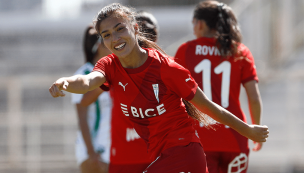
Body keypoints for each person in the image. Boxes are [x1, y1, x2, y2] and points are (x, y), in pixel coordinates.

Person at [49, 3, 269, 173]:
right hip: (160, 157)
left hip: (184, 152)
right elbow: (89, 82)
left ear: (135, 28)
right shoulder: (109, 66)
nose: (115, 38)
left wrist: (247, 129)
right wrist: (66, 82)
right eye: (107, 35)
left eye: (120, 29)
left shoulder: (166, 67)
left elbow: (209, 107)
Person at [174, 1, 263, 173]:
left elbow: (174, 95)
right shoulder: (241, 51)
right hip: (237, 136)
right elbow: (254, 97)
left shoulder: (185, 51)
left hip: (200, 139)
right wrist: (255, 131)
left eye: (193, 24)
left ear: (200, 23)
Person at [80, 10, 159, 173]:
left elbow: (85, 101)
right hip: (134, 154)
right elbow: (84, 101)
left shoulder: (161, 66)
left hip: (141, 154)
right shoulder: (117, 67)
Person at [71, 25, 112, 173]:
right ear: (99, 46)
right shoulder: (83, 75)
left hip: (110, 148)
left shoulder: (111, 71)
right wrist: (91, 152)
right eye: (107, 39)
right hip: (94, 150)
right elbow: (82, 117)